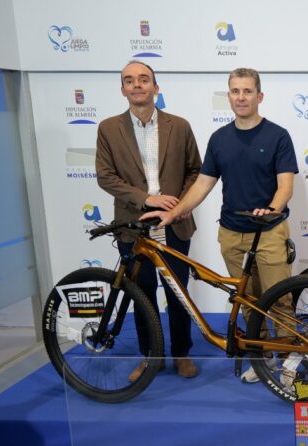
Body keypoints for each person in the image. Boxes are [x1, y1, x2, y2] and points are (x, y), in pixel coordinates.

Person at [141, 68, 298, 383]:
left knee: (277, 297)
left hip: (268, 231)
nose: (241, 97)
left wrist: (271, 210)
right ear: (229, 96)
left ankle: (290, 357)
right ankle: (262, 355)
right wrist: (174, 213)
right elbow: (201, 185)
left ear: (259, 96)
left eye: (248, 91)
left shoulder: (278, 135)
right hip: (230, 232)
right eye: (236, 91)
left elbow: (285, 186)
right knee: (248, 299)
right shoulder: (219, 139)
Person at [95, 60, 202, 382]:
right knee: (141, 293)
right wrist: (146, 199)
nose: (137, 85)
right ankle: (150, 357)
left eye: (144, 79)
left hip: (174, 223)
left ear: (156, 87)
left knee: (177, 292)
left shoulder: (179, 126)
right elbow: (105, 176)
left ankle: (181, 354)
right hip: (134, 224)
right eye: (130, 80)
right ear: (123, 89)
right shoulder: (108, 128)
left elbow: (196, 171)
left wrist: (180, 205)